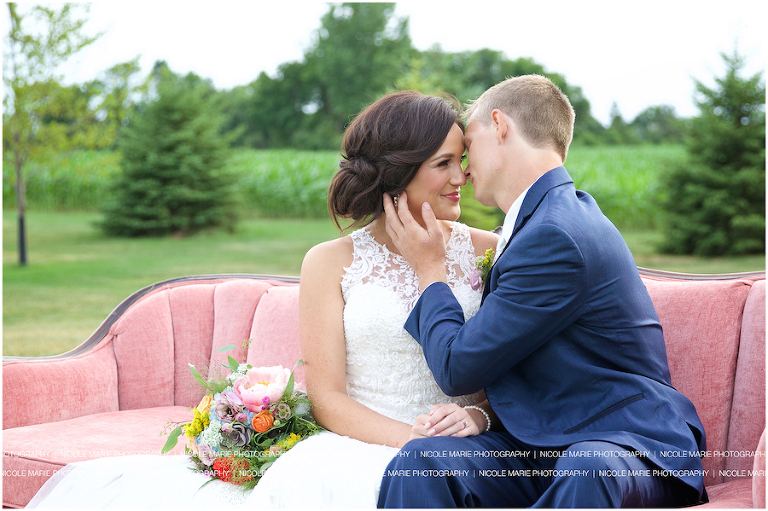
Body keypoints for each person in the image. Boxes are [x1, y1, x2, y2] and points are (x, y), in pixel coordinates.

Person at [26, 90, 499, 509]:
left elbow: (520, 369)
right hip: (361, 445)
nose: (463, 176)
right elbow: (328, 398)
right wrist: (414, 441)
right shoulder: (329, 262)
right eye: (444, 163)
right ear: (399, 171)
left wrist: (478, 416)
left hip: (464, 451)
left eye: (461, 160)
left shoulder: (491, 251)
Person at [378, 75, 708, 508]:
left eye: (469, 145)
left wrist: (429, 270)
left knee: (587, 468)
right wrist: (480, 414)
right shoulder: (537, 223)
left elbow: (458, 367)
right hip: (541, 447)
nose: (464, 167)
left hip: (627, 446)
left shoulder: (556, 234)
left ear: (499, 126)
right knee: (424, 461)